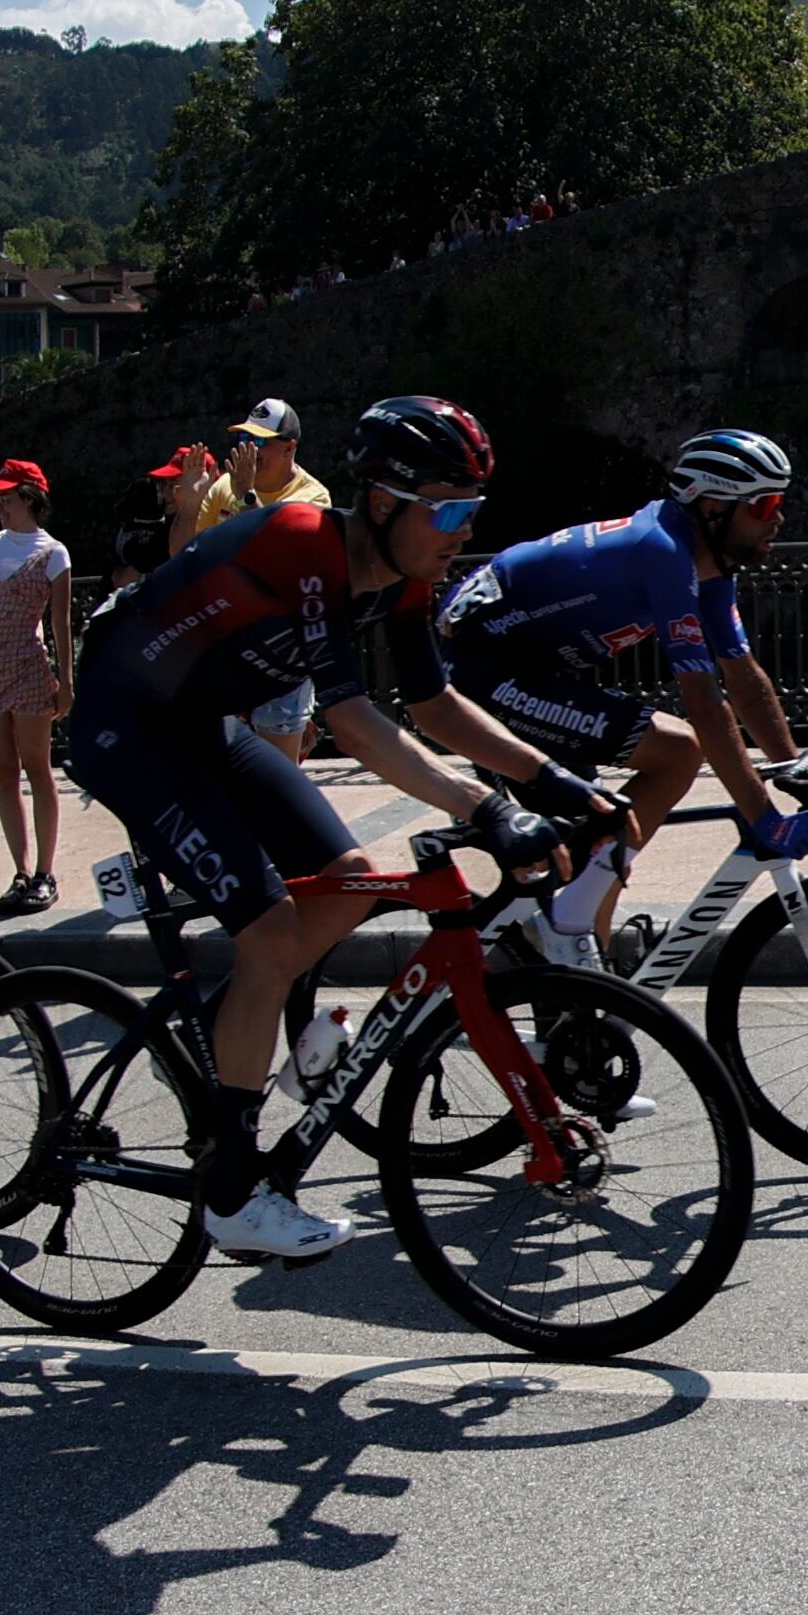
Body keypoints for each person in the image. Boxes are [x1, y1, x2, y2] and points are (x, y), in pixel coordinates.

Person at [68, 395, 552, 1266]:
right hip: (125, 725)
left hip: (203, 723)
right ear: (383, 502)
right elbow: (358, 725)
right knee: (270, 935)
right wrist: (484, 810)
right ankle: (232, 1195)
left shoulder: (407, 575)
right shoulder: (302, 543)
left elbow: (435, 704)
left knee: (349, 880)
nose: (460, 531)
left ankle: (233, 1041)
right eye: (446, 509)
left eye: (472, 511)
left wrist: (550, 782)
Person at [413, 427, 808, 952]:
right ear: (713, 508)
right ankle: (556, 950)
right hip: (486, 667)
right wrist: (765, 818)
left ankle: (570, 965)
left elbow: (745, 682)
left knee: (602, 848)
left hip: (538, 670)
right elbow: (706, 706)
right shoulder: (663, 551)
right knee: (674, 756)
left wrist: (797, 770)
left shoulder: (709, 565)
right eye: (766, 505)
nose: (778, 518)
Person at [0, 456, 74, 916]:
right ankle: (21, 871)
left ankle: (45, 871)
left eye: (6, 497)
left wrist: (66, 681)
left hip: (27, 664)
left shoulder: (53, 552)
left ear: (29, 497)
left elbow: (60, 622)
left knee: (37, 768)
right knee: (3, 772)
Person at [185, 401, 330, 762]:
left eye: (262, 441)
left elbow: (274, 565)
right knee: (221, 776)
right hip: (225, 649)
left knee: (275, 779)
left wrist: (246, 497)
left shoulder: (313, 498)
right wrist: (190, 501)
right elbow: (183, 557)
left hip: (281, 652)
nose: (252, 448)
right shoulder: (223, 487)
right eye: (246, 437)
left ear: (289, 448)